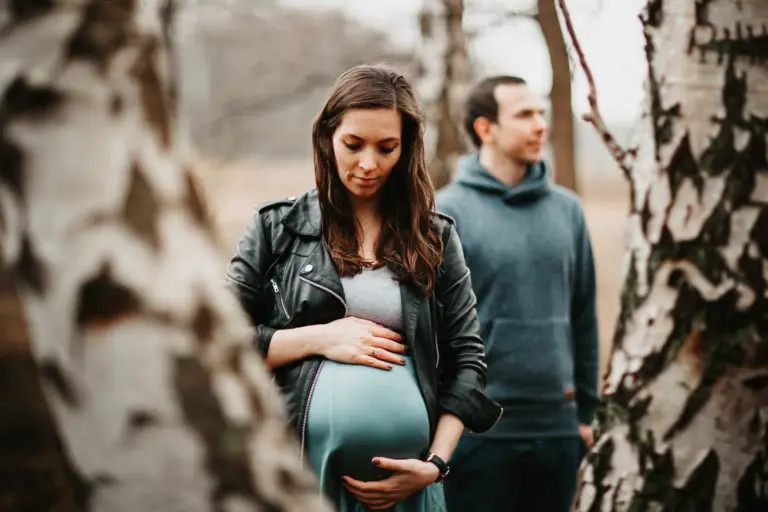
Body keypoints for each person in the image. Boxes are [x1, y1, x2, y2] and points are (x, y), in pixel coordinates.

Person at [225, 64, 501, 512]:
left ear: (406, 149)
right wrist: (319, 338)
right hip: (298, 478)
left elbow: (468, 360)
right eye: (353, 145)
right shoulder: (275, 228)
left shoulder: (436, 237)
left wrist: (434, 464)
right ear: (327, 137)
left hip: (412, 489)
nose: (369, 163)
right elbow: (219, 344)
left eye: (387, 147)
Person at [436, 75, 599, 511]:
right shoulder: (445, 212)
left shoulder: (568, 210)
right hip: (476, 429)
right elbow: (431, 328)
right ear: (485, 129)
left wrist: (587, 412)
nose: (540, 125)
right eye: (524, 115)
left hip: (558, 427)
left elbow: (583, 315)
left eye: (541, 112)